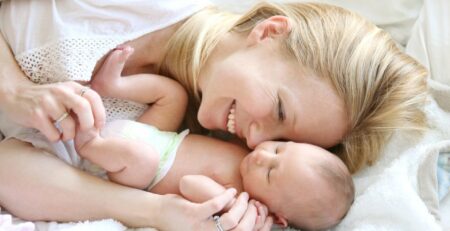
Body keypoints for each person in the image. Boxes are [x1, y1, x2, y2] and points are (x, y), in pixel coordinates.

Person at [0, 1, 427, 230]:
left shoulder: (172, 136)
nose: (258, 143)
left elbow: (9, 167)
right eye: (280, 109)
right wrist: (14, 89)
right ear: (271, 32)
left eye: (286, 140)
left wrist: (157, 212)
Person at [76, 46, 354, 230]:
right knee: (174, 96)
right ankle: (113, 86)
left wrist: (224, 201)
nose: (262, 155)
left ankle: (89, 144)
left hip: (144, 171)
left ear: (278, 216)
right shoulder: (246, 151)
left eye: (270, 173)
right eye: (279, 149)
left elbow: (187, 183)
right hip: (163, 137)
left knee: (142, 157)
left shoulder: (234, 197)